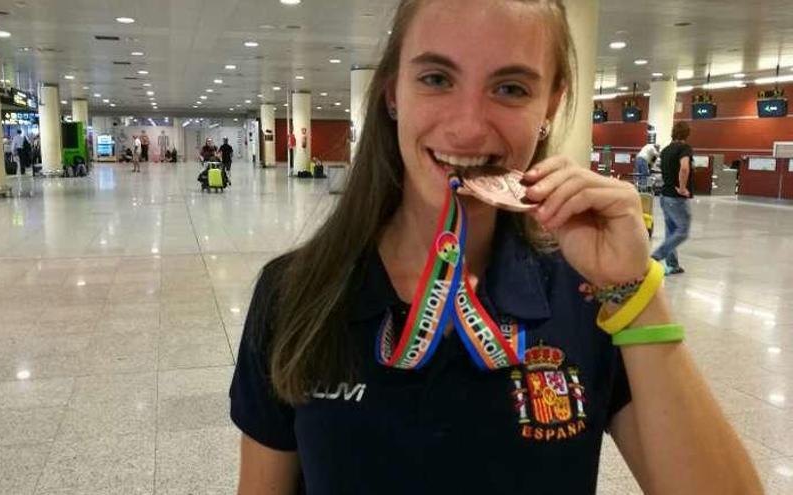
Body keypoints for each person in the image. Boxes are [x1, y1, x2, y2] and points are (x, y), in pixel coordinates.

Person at [229, 1, 762, 494]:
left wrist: (634, 292)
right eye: (436, 78)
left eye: (510, 89)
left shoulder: (588, 293)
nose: (467, 128)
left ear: (551, 104)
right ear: (393, 92)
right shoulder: (295, 293)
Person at [652, 122, 694, 275]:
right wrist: (682, 188)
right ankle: (655, 256)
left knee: (671, 231)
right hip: (676, 198)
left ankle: (672, 264)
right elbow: (684, 168)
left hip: (665, 195)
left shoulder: (665, 150)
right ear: (687, 134)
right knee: (682, 231)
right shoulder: (684, 149)